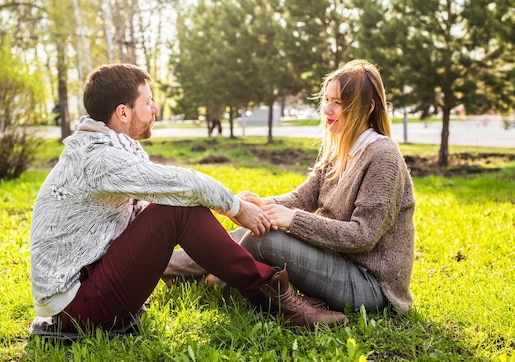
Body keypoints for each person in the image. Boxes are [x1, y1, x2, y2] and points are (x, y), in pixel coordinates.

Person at [29, 63, 347, 340]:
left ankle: (271, 295)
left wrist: (227, 205)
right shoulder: (100, 158)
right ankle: (276, 299)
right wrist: (236, 209)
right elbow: (184, 183)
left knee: (177, 207)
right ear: (123, 112)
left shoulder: (103, 148)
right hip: (80, 306)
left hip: (83, 292)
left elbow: (144, 216)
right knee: (177, 209)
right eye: (148, 102)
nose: (155, 109)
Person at [165, 59, 416, 315]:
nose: (327, 109)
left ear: (368, 107)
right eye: (327, 100)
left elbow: (362, 235)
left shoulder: (383, 155)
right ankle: (170, 267)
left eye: (338, 102)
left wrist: (292, 220)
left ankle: (196, 275)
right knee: (260, 225)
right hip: (337, 263)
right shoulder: (340, 149)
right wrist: (265, 205)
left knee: (266, 238)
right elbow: (302, 198)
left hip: (372, 287)